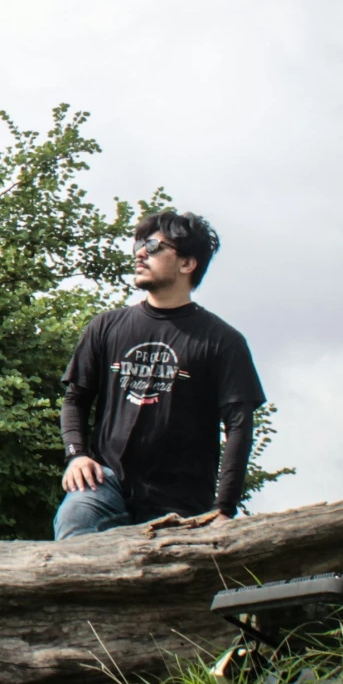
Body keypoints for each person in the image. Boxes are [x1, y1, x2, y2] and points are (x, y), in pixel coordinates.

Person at [52, 210, 264, 538]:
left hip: (181, 502)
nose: (140, 253)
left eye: (153, 247)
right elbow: (75, 399)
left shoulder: (223, 341)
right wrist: (76, 455)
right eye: (139, 244)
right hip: (106, 485)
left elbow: (238, 426)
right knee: (75, 519)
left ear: (187, 263)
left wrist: (224, 509)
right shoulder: (106, 327)